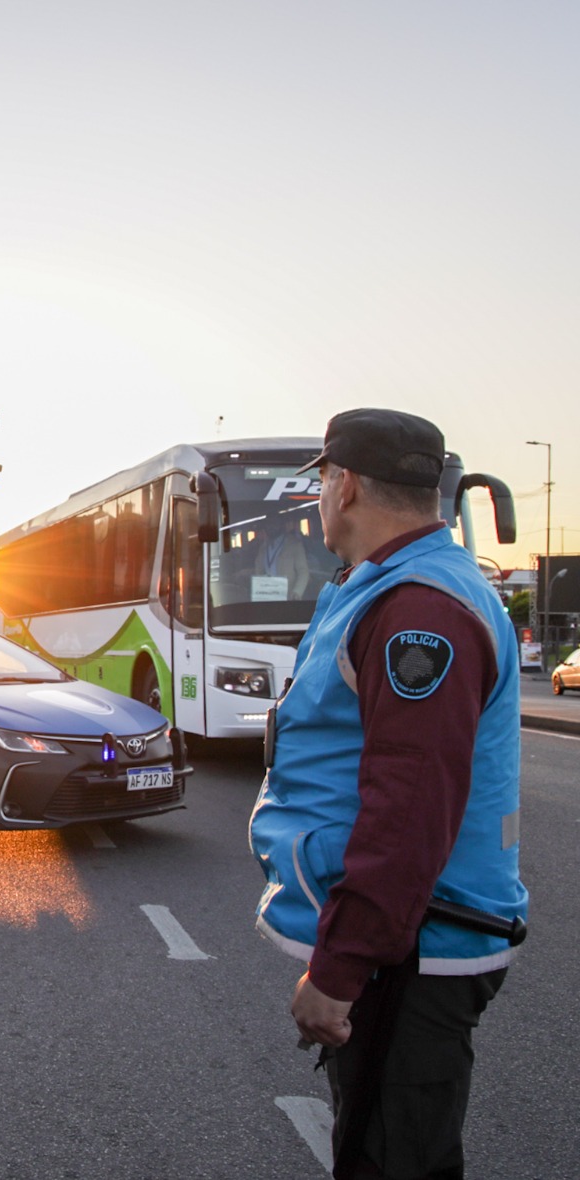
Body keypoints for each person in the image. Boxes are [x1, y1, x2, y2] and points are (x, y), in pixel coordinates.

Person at [249, 408, 527, 1179]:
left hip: (412, 953)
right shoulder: (392, 587)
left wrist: (339, 974)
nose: (318, 506)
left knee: (394, 1161)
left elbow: (409, 815)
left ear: (342, 487)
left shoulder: (418, 612)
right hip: (407, 941)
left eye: (320, 487)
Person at [253, 511, 312, 598]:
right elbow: (259, 570)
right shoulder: (263, 548)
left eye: (274, 523)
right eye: (268, 524)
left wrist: (297, 592)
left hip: (288, 598)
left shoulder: (294, 544)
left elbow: (303, 571)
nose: (271, 527)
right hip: (267, 597)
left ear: (281, 525)